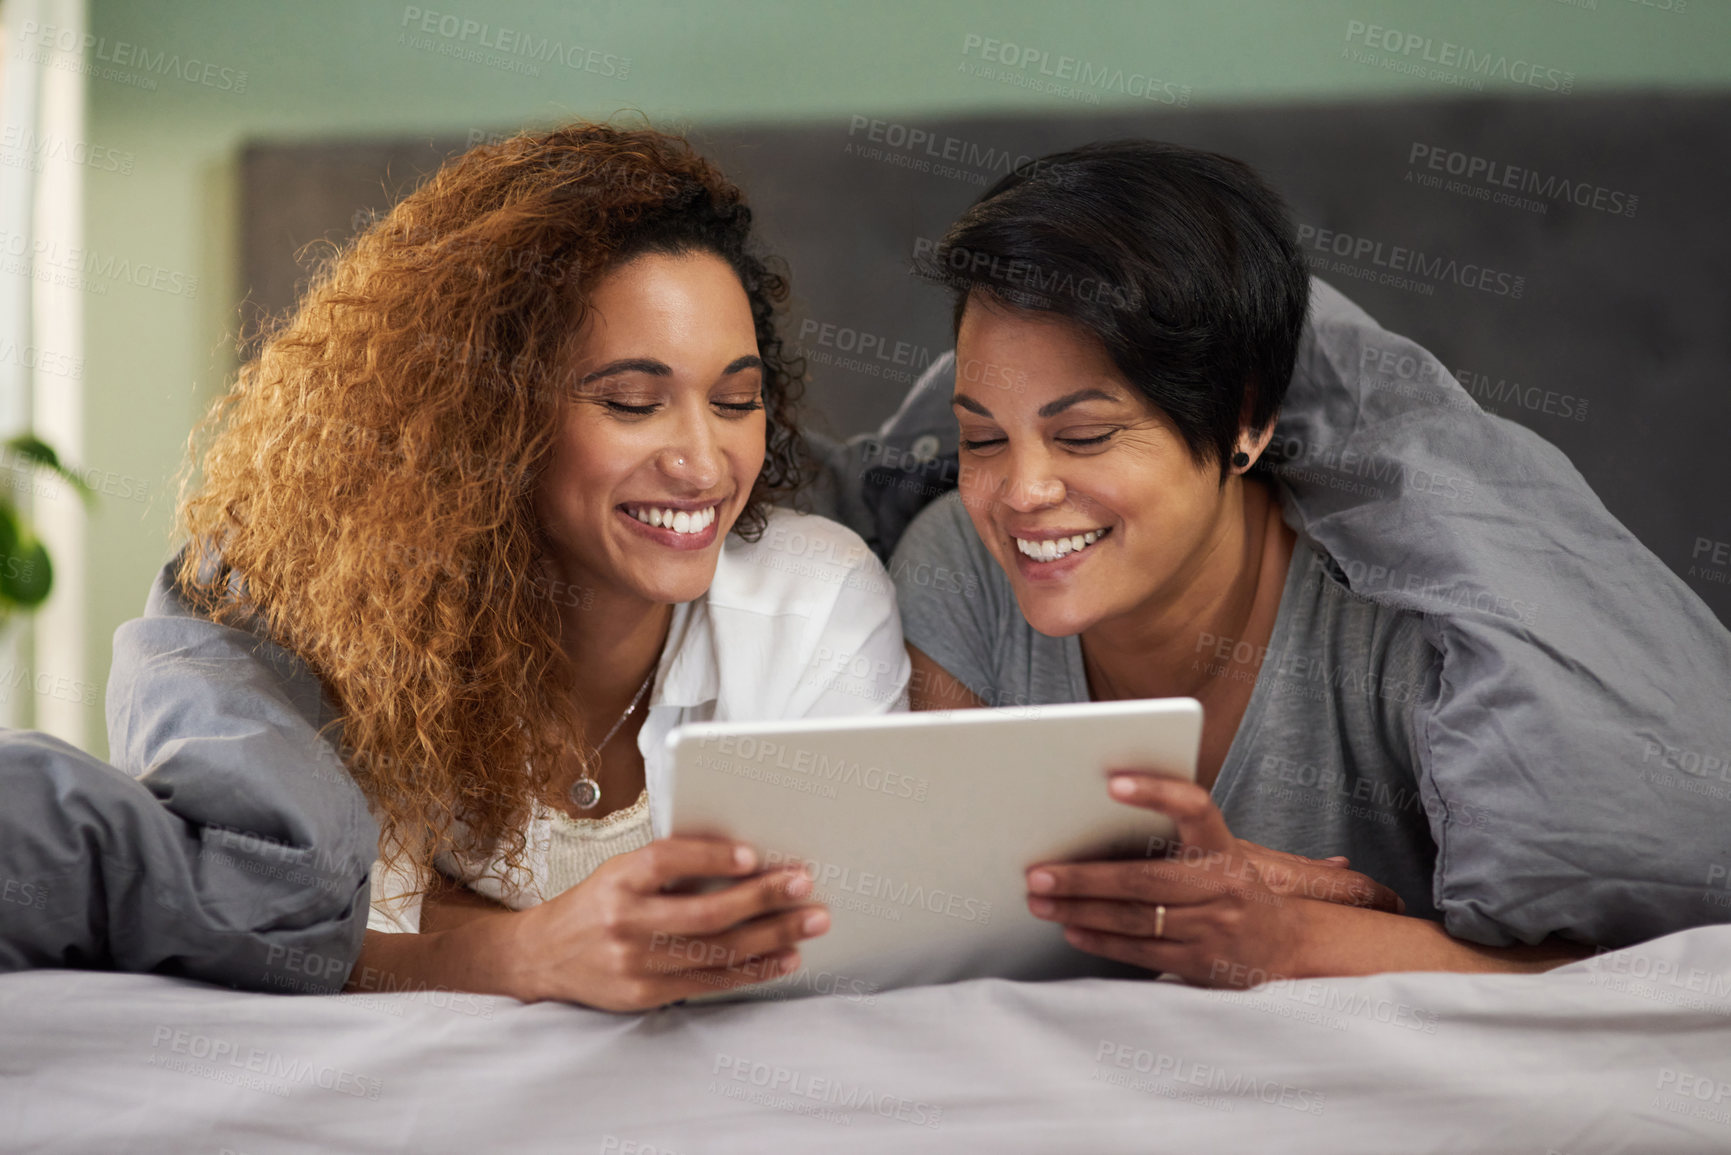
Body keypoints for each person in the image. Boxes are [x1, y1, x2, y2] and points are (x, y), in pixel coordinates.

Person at [890, 139, 1730, 985]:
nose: (1022, 491)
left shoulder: (1419, 636)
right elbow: (932, 911)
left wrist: (1289, 941)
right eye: (982, 438)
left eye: (1085, 436)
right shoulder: (957, 570)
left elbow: (1641, 976)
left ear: (1246, 419)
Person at [116, 122, 908, 1010]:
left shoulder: (817, 598)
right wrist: (527, 953)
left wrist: (448, 926)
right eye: (633, 402)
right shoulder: (360, 619)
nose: (702, 461)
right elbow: (297, 944)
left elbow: (839, 946)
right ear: (485, 418)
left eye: (735, 400)